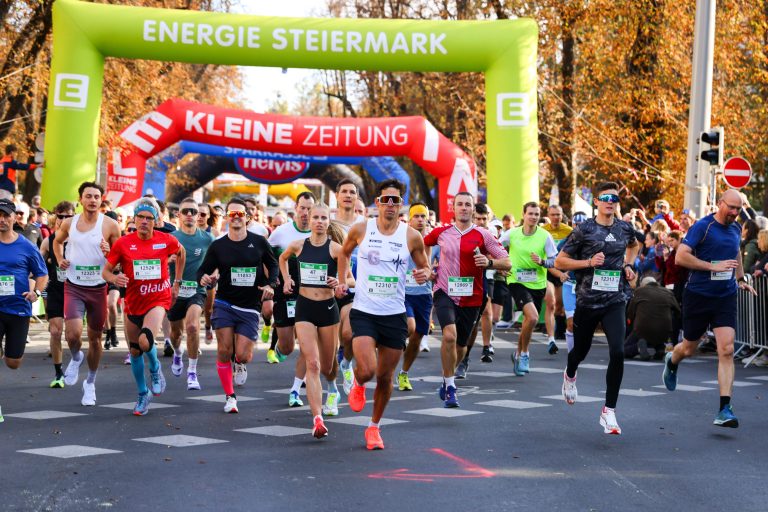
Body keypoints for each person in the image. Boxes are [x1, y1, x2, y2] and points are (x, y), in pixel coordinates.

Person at [337, 179, 431, 450]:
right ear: (376, 203)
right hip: (365, 310)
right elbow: (344, 253)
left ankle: (374, 427)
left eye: (395, 200)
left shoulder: (411, 236)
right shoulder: (361, 228)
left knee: (386, 377)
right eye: (385, 200)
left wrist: (426, 273)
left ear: (400, 205)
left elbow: (425, 269)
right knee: (367, 370)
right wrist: (344, 279)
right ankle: (357, 382)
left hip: (394, 314)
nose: (390, 205)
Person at [662, 189, 757, 428]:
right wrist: (711, 267)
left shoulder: (736, 228)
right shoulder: (702, 227)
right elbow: (681, 257)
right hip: (698, 295)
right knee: (689, 348)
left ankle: (725, 407)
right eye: (731, 208)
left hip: (725, 296)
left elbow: (734, 251)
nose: (735, 213)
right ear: (719, 204)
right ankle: (672, 361)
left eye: (739, 209)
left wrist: (741, 279)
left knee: (726, 349)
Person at [555, 182, 639, 435]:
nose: (610, 202)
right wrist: (589, 262)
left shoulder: (625, 228)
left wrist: (628, 265)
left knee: (617, 351)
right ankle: (570, 374)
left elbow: (634, 245)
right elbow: (560, 261)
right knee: (580, 350)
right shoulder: (584, 230)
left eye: (614, 198)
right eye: (605, 198)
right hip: (588, 301)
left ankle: (609, 411)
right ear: (597, 202)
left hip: (615, 300)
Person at [423, 192, 510, 408]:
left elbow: (506, 262)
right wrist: (426, 267)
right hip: (445, 290)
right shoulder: (441, 232)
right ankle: (451, 387)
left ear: (473, 209)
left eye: (467, 205)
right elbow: (422, 243)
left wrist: (489, 263)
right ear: (453, 208)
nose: (463, 208)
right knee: (449, 336)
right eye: (459, 204)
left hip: (472, 296)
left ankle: (446, 379)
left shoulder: (483, 235)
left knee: (461, 346)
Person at [103, 197, 184, 415]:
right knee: (135, 350)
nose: (145, 221)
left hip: (158, 299)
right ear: (135, 219)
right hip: (133, 301)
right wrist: (114, 278)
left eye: (149, 218)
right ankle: (142, 394)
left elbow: (181, 252)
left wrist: (177, 281)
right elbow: (106, 271)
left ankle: (156, 369)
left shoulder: (165, 240)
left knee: (146, 341)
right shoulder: (123, 243)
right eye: (141, 217)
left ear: (156, 221)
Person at [198, 198, 278, 414]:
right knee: (224, 350)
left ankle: (239, 363)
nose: (236, 217)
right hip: (224, 303)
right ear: (226, 217)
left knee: (242, 354)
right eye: (231, 214)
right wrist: (203, 278)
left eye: (240, 214)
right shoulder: (219, 245)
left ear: (247, 218)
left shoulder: (260, 242)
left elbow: (273, 264)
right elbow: (203, 270)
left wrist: (271, 285)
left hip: (250, 306)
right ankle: (230, 396)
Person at [54, 182, 121, 406]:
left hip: (98, 287)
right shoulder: (68, 223)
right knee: (72, 334)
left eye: (96, 196)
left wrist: (109, 253)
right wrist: (60, 258)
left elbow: (119, 259)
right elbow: (56, 241)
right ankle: (75, 357)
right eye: (88, 196)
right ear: (80, 199)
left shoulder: (110, 225)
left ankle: (90, 383)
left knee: (95, 339)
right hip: (74, 285)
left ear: (101, 200)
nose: (92, 200)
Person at [280, 203, 343, 438]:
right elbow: (283, 259)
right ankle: (318, 419)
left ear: (329, 221)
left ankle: (333, 388)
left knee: (327, 366)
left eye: (323, 218)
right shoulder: (298, 246)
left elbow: (350, 279)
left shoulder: (337, 249)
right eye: (315, 217)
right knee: (313, 364)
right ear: (309, 220)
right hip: (304, 308)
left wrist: (339, 283)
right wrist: (286, 280)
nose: (318, 221)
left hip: (328, 309)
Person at [0, 198, 48, 421]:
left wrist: (36, 293)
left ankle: (7, 353)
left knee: (13, 362)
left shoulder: (26, 246)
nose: (2, 219)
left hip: (18, 308)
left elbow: (42, 274)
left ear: (13, 218)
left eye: (6, 215)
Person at [501, 202, 559, 376]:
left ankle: (518, 353)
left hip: (538, 283)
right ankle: (525, 354)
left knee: (528, 321)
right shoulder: (512, 234)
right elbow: (495, 247)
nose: (533, 217)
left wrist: (542, 262)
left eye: (536, 214)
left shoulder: (544, 236)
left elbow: (553, 260)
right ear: (524, 215)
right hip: (516, 280)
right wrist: (500, 265)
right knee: (533, 318)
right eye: (530, 213)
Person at [268, 192, 314, 407]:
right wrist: (269, 282)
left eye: (310, 209)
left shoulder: (319, 232)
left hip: (312, 295)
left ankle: (295, 390)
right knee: (287, 348)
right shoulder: (280, 233)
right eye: (303, 208)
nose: (306, 213)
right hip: (285, 293)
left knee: (307, 345)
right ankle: (278, 345)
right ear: (296, 208)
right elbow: (266, 257)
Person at [168, 197, 214, 391]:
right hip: (174, 292)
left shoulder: (207, 239)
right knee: (176, 333)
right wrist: (167, 260)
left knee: (193, 327)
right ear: (178, 215)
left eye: (193, 212)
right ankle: (178, 353)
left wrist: (211, 277)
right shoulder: (171, 238)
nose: (189, 215)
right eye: (185, 211)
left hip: (196, 290)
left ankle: (192, 372)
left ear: (198, 216)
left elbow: (215, 266)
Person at [331, 180, 366, 399]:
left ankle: (345, 362)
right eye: (343, 191)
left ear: (356, 197)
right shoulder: (327, 223)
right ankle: (330, 388)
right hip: (326, 289)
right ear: (336, 195)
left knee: (348, 332)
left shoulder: (366, 225)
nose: (347, 195)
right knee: (328, 342)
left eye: (352, 192)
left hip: (355, 287)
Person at [456, 203, 498, 378]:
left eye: (484, 218)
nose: (481, 222)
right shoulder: (459, 231)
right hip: (458, 281)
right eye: (478, 218)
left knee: (480, 316)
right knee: (460, 324)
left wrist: (495, 263)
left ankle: (475, 351)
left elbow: (499, 256)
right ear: (473, 218)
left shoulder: (489, 235)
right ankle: (457, 353)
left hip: (482, 279)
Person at [39, 201, 75, 388]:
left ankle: (75, 361)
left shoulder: (80, 239)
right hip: (55, 290)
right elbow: (36, 265)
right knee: (55, 332)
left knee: (72, 336)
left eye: (68, 216)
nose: (63, 220)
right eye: (60, 216)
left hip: (76, 291)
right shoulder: (48, 240)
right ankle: (58, 372)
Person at [398, 202, 434, 391]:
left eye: (423, 216)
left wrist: (433, 273)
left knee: (418, 336)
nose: (420, 220)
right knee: (410, 327)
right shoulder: (402, 238)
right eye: (416, 216)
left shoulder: (434, 241)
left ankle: (404, 374)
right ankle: (395, 339)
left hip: (424, 295)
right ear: (410, 219)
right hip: (404, 293)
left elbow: (439, 266)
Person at [624, 276, 680, 360]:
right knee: (656, 334)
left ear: (643, 285)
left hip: (643, 329)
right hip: (665, 330)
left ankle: (637, 347)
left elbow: (630, 312)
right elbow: (678, 311)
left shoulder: (639, 291)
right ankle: (660, 348)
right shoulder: (667, 292)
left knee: (623, 350)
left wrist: (631, 324)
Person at [541, 205, 572, 350]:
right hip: (547, 270)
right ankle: (551, 337)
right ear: (548, 214)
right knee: (551, 303)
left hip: (562, 271)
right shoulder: (543, 230)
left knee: (560, 306)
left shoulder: (569, 231)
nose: (555, 217)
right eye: (553, 214)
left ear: (562, 215)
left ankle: (560, 330)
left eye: (558, 215)